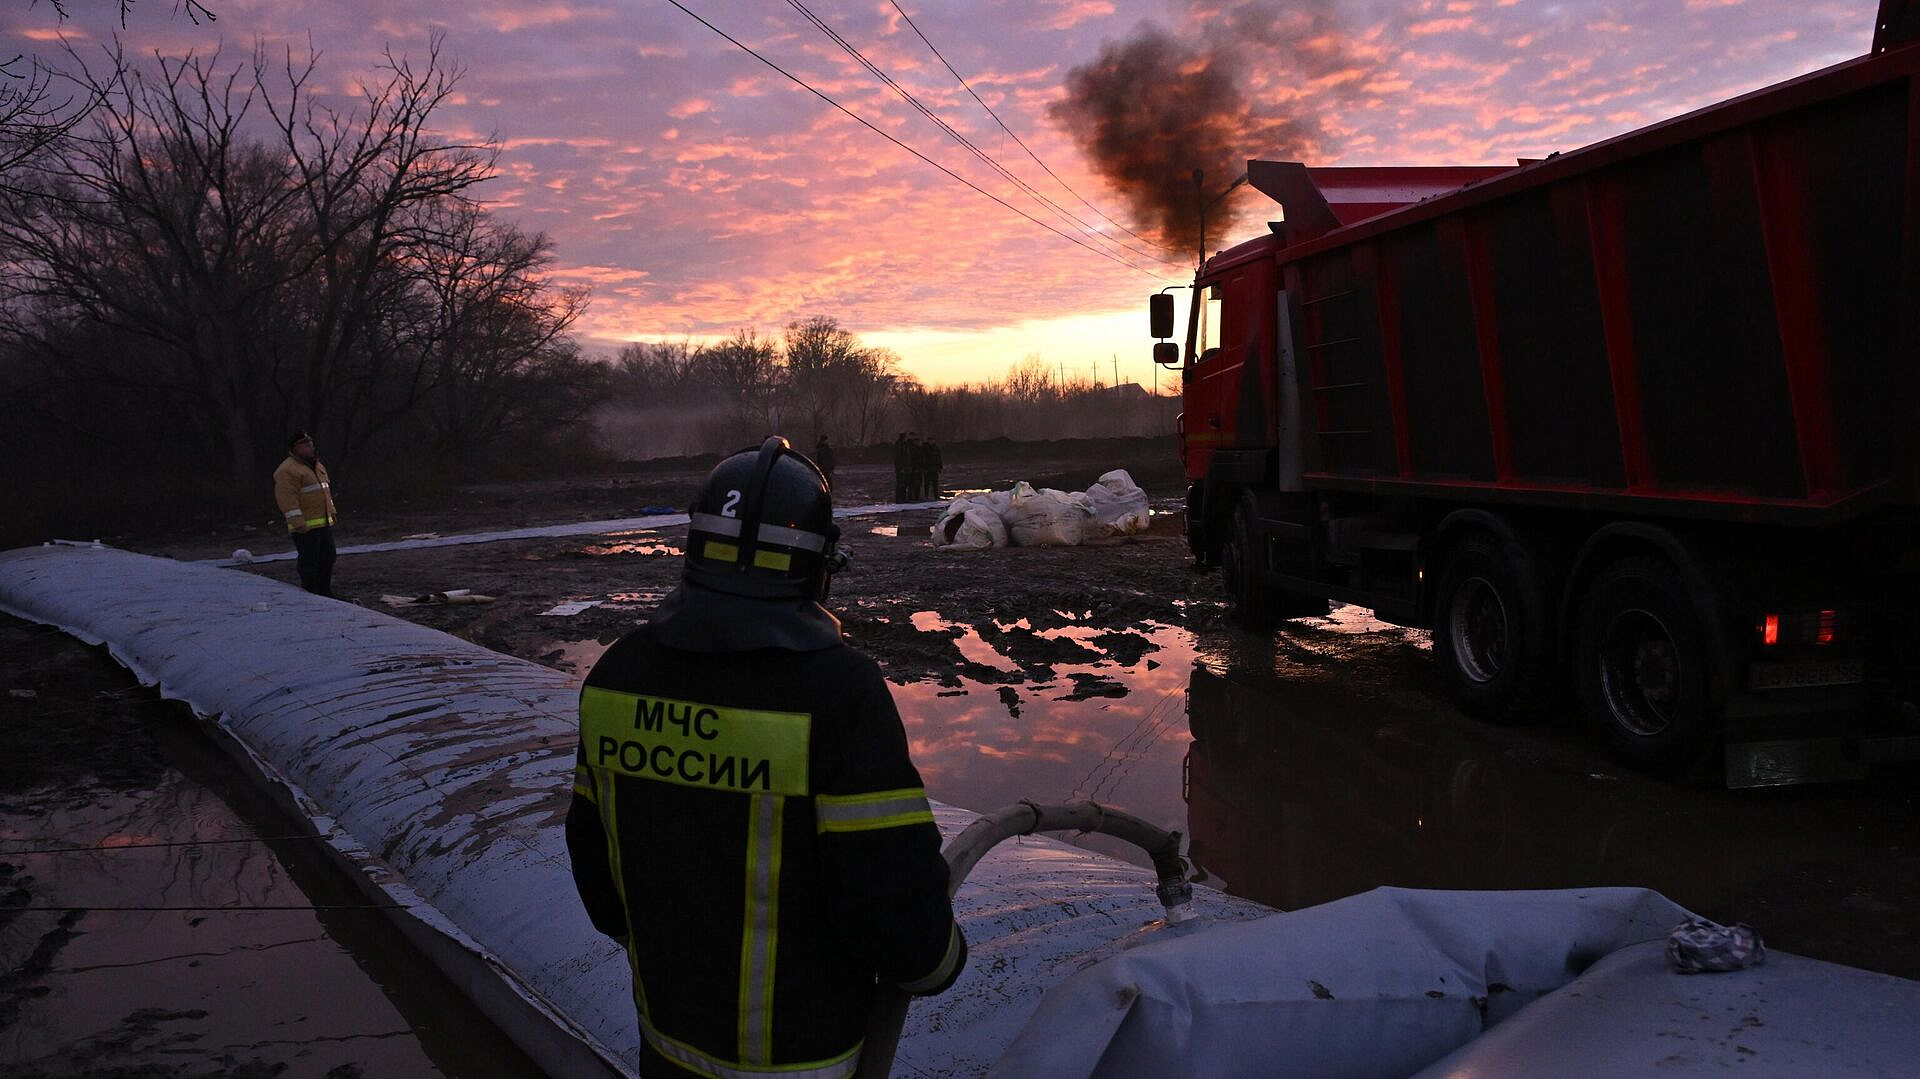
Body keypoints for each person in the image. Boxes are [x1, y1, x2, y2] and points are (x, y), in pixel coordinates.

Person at [566, 436, 965, 1079]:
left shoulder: (617, 675)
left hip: (665, 1042)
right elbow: (892, 900)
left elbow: (594, 860)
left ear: (693, 551)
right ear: (819, 567)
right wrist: (940, 964)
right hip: (802, 1061)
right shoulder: (840, 694)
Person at [273, 431, 338, 597]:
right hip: (305, 526)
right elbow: (287, 499)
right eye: (305, 445)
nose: (311, 448)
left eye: (311, 444)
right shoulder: (287, 471)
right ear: (295, 448)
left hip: (323, 522)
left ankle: (325, 592)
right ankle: (310, 593)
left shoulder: (316, 466)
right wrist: (298, 522)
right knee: (310, 562)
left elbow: (324, 492)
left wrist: (331, 511)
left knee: (328, 558)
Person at [892, 432, 911, 502]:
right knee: (900, 483)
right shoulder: (899, 445)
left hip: (904, 468)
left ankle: (902, 498)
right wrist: (901, 468)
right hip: (901, 468)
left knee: (904, 483)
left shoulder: (903, 445)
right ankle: (899, 498)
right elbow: (898, 458)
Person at [922, 436, 943, 501]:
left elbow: (939, 458)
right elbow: (923, 459)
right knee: (927, 484)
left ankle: (936, 496)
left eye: (932, 440)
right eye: (930, 440)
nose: (931, 441)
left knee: (935, 484)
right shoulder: (925, 448)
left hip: (935, 468)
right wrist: (924, 468)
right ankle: (926, 496)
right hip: (928, 469)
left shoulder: (936, 448)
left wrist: (939, 467)